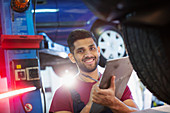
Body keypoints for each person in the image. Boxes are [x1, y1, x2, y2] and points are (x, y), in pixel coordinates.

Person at [49, 29, 139, 113]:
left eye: (92, 48)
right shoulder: (62, 93)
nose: (88, 54)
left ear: (98, 51)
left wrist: (113, 102)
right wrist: (90, 104)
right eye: (81, 51)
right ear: (72, 57)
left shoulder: (116, 83)